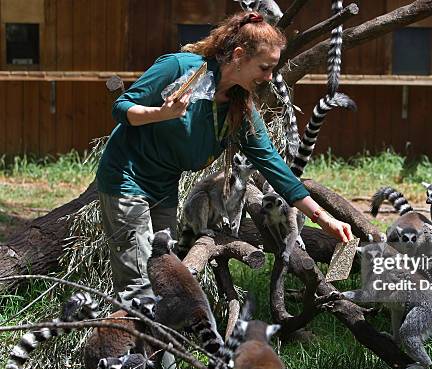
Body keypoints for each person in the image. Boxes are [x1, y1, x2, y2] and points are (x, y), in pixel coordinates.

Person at [96, 11, 353, 310]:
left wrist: (323, 218)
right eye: (265, 67)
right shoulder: (180, 69)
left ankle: (163, 354)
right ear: (239, 55)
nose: (269, 77)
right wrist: (160, 114)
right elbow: (122, 107)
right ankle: (131, 355)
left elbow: (273, 164)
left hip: (163, 186)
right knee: (138, 285)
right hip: (126, 180)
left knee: (165, 276)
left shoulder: (238, 105)